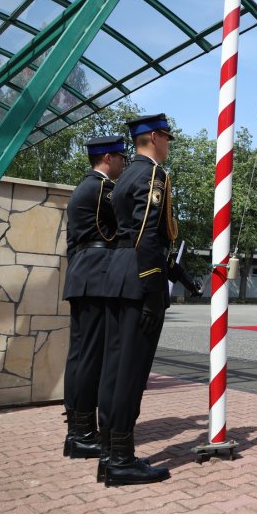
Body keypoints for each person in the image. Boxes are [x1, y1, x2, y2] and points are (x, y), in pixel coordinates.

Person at [100, 114, 181, 486]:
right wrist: (152, 290)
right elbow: (147, 235)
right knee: (132, 371)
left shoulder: (124, 177)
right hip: (139, 280)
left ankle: (109, 452)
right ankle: (121, 458)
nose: (168, 143)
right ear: (152, 137)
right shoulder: (152, 175)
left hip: (118, 275)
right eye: (166, 136)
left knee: (115, 367)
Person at [62, 135, 126, 459]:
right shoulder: (103, 189)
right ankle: (83, 432)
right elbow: (122, 227)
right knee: (90, 357)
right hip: (96, 276)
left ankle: (76, 430)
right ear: (107, 158)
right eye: (120, 158)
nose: (123, 164)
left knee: (78, 356)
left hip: (81, 276)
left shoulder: (83, 188)